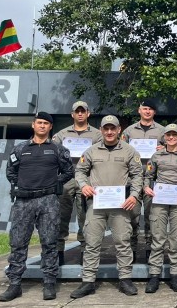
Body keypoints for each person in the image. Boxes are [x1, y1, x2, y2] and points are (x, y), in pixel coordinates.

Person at [0, 112, 74, 302]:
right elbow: (11, 172)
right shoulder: (20, 149)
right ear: (33, 125)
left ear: (50, 127)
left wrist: (52, 183)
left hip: (48, 200)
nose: (42, 126)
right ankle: (14, 284)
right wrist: (24, 185)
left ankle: (49, 283)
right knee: (18, 243)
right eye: (39, 123)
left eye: (46, 123)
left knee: (50, 243)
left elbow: (68, 171)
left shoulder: (58, 149)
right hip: (23, 201)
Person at [71, 115, 143, 299]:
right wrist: (84, 185)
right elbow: (80, 171)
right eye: (106, 128)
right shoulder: (91, 151)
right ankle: (88, 282)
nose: (109, 132)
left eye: (113, 128)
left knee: (122, 242)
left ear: (119, 129)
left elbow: (137, 176)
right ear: (101, 130)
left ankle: (125, 279)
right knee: (92, 243)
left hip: (120, 205)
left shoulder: (129, 151)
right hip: (97, 204)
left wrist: (134, 195)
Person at [144, 124, 177, 294]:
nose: (171, 137)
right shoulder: (157, 155)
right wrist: (146, 187)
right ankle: (154, 276)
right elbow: (149, 175)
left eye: (174, 134)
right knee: (157, 238)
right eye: (168, 135)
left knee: (176, 239)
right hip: (159, 199)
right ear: (164, 137)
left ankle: (175, 275)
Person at [52, 100, 102, 265]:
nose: (80, 114)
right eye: (77, 111)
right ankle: (58, 253)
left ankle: (84, 253)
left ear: (88, 114)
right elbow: (52, 154)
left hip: (87, 181)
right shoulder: (61, 135)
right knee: (60, 216)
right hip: (66, 180)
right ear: (72, 114)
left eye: (83, 111)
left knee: (85, 217)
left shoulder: (97, 135)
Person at [122, 100, 165, 258]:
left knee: (150, 216)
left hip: (152, 179)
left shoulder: (162, 131)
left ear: (154, 112)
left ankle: (149, 248)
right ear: (139, 110)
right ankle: (132, 248)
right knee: (132, 216)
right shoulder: (129, 131)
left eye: (150, 109)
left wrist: (164, 148)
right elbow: (120, 149)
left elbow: (173, 149)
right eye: (144, 108)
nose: (147, 111)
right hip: (132, 179)